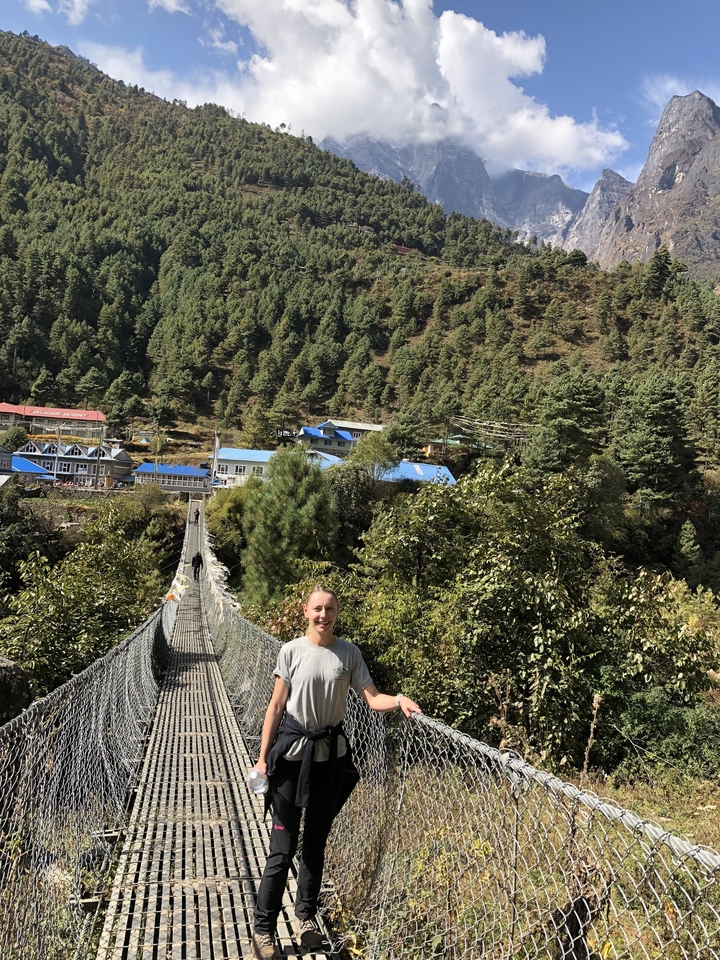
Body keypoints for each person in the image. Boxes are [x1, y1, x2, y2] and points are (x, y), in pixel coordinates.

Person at [250, 586, 421, 960]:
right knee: (283, 847)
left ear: (336, 612)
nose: (322, 615)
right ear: (305, 611)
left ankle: (306, 920)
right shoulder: (291, 651)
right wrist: (263, 760)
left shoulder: (348, 653)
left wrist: (399, 700)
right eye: (317, 609)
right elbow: (276, 707)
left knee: (314, 843)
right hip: (292, 759)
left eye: (329, 609)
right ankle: (263, 930)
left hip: (330, 760)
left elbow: (372, 698)